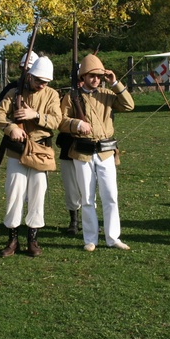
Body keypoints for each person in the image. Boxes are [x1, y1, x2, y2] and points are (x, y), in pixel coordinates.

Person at [59, 54, 134, 252]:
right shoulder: (72, 96)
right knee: (87, 198)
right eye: (91, 76)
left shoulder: (107, 94)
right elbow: (61, 121)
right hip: (82, 151)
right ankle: (90, 238)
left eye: (99, 76)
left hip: (106, 151)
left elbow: (128, 105)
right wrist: (77, 123)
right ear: (82, 76)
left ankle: (113, 237)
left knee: (110, 195)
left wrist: (115, 83)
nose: (96, 80)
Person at [0, 56, 61, 257]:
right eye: (38, 80)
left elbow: (57, 120)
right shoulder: (14, 93)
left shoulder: (52, 95)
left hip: (40, 152)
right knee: (14, 192)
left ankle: (33, 239)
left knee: (38, 193)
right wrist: (10, 127)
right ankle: (12, 239)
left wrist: (36, 115)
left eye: (45, 82)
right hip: (18, 150)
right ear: (29, 76)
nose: (41, 85)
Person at [0, 51, 39, 117]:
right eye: (26, 69)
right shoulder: (11, 87)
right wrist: (10, 124)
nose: (28, 73)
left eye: (30, 70)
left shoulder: (47, 92)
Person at [56, 131, 81, 234]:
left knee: (88, 188)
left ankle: (90, 220)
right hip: (68, 147)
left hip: (88, 148)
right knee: (71, 187)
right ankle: (74, 220)